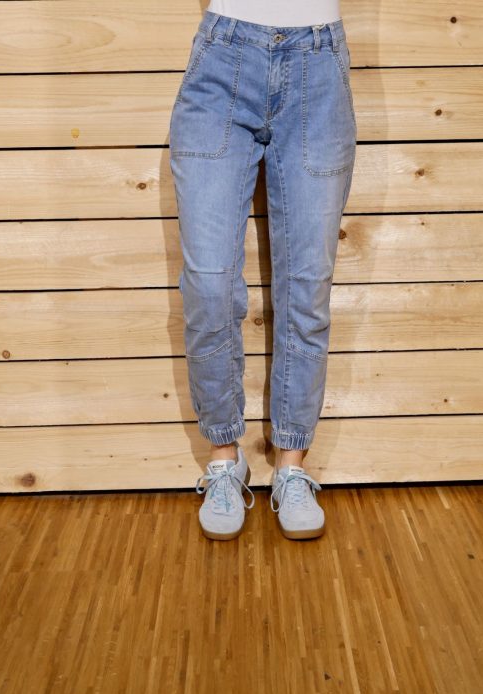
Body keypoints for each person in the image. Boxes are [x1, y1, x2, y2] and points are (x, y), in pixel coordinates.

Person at [169, 1, 357, 541]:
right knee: (208, 284)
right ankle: (224, 461)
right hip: (222, 59)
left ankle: (292, 467)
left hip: (319, 66)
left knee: (307, 285)